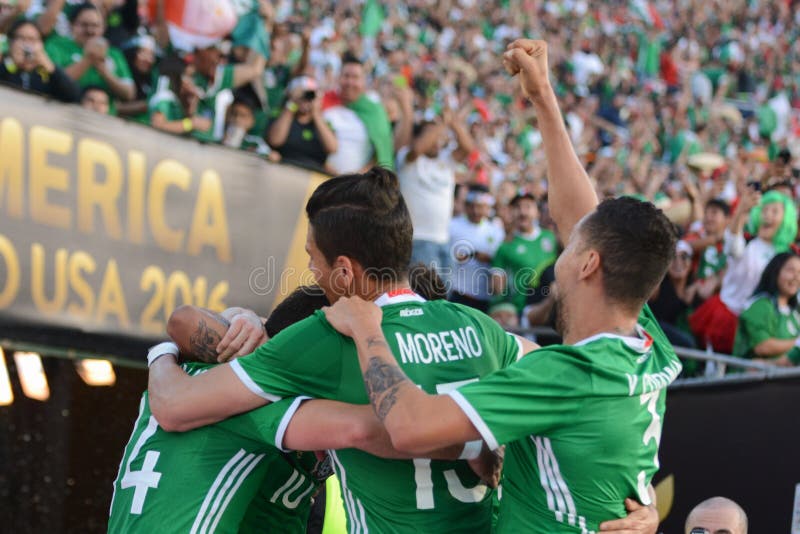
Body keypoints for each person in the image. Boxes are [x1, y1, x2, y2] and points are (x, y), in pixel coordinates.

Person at [146, 165, 656, 533]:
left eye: (313, 260)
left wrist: (160, 354)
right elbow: (588, 391)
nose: (313, 274)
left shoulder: (325, 336)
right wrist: (642, 506)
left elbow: (172, 407)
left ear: (344, 271)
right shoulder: (479, 328)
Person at [320, 39, 679, 534]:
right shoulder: (647, 345)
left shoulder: (562, 376)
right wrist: (543, 96)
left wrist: (366, 329)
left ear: (590, 265)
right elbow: (578, 213)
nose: (560, 249)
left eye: (571, 247)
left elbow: (410, 427)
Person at [109, 287, 346, 533]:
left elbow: (182, 320)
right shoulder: (258, 402)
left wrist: (163, 354)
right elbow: (359, 430)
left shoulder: (192, 377)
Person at [689, 189, 797, 353]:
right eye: (764, 210)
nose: (767, 215)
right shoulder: (748, 242)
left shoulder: (787, 255)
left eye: (774, 211)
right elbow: (732, 245)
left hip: (762, 322)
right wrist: (741, 210)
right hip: (729, 315)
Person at [398, 107, 475, 280]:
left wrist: (453, 123)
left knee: (442, 297)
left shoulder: (446, 159)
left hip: (443, 240)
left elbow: (468, 148)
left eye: (438, 137)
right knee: (426, 296)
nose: (436, 141)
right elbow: (418, 148)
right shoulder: (407, 158)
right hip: (417, 239)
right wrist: (443, 123)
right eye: (431, 135)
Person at [44, 2, 135, 107]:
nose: (90, 30)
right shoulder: (56, 45)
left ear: (103, 28)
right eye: (84, 25)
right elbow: (53, 82)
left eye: (95, 26)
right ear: (71, 25)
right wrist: (88, 59)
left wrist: (103, 70)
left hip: (104, 120)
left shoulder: (114, 54)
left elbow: (129, 93)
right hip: (60, 112)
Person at [321, 53, 394, 173]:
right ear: (339, 77)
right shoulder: (325, 101)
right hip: (318, 175)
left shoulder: (375, 111)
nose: (350, 82)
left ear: (364, 81)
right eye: (346, 76)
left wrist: (353, 179)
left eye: (355, 77)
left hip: (357, 186)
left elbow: (381, 154)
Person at [491, 192, 558, 315]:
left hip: (552, 307)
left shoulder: (551, 237)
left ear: (537, 212)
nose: (522, 212)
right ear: (511, 213)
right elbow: (497, 288)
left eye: (528, 206)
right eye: (517, 207)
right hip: (521, 311)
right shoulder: (505, 246)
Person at [732, 252, 800, 366]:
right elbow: (762, 346)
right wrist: (797, 343)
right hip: (751, 380)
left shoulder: (795, 311)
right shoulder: (760, 305)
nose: (796, 277)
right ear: (775, 272)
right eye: (791, 270)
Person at [449, 185, 505, 313]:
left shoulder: (496, 231)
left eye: (480, 207)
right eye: (471, 206)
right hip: (458, 293)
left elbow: (501, 262)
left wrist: (489, 259)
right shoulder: (452, 226)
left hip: (484, 296)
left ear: (487, 208)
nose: (475, 211)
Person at [266, 75, 338, 171]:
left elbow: (332, 148)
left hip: (313, 173)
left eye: (310, 95)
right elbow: (275, 140)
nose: (306, 99)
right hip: (285, 169)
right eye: (303, 95)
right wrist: (291, 104)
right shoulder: (280, 115)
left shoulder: (324, 123)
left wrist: (315, 113)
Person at [0, 18, 80, 103]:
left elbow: (73, 96)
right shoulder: (6, 65)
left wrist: (51, 68)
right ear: (11, 42)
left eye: (32, 40)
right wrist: (12, 63)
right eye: (22, 38)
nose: (27, 45)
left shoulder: (45, 74)